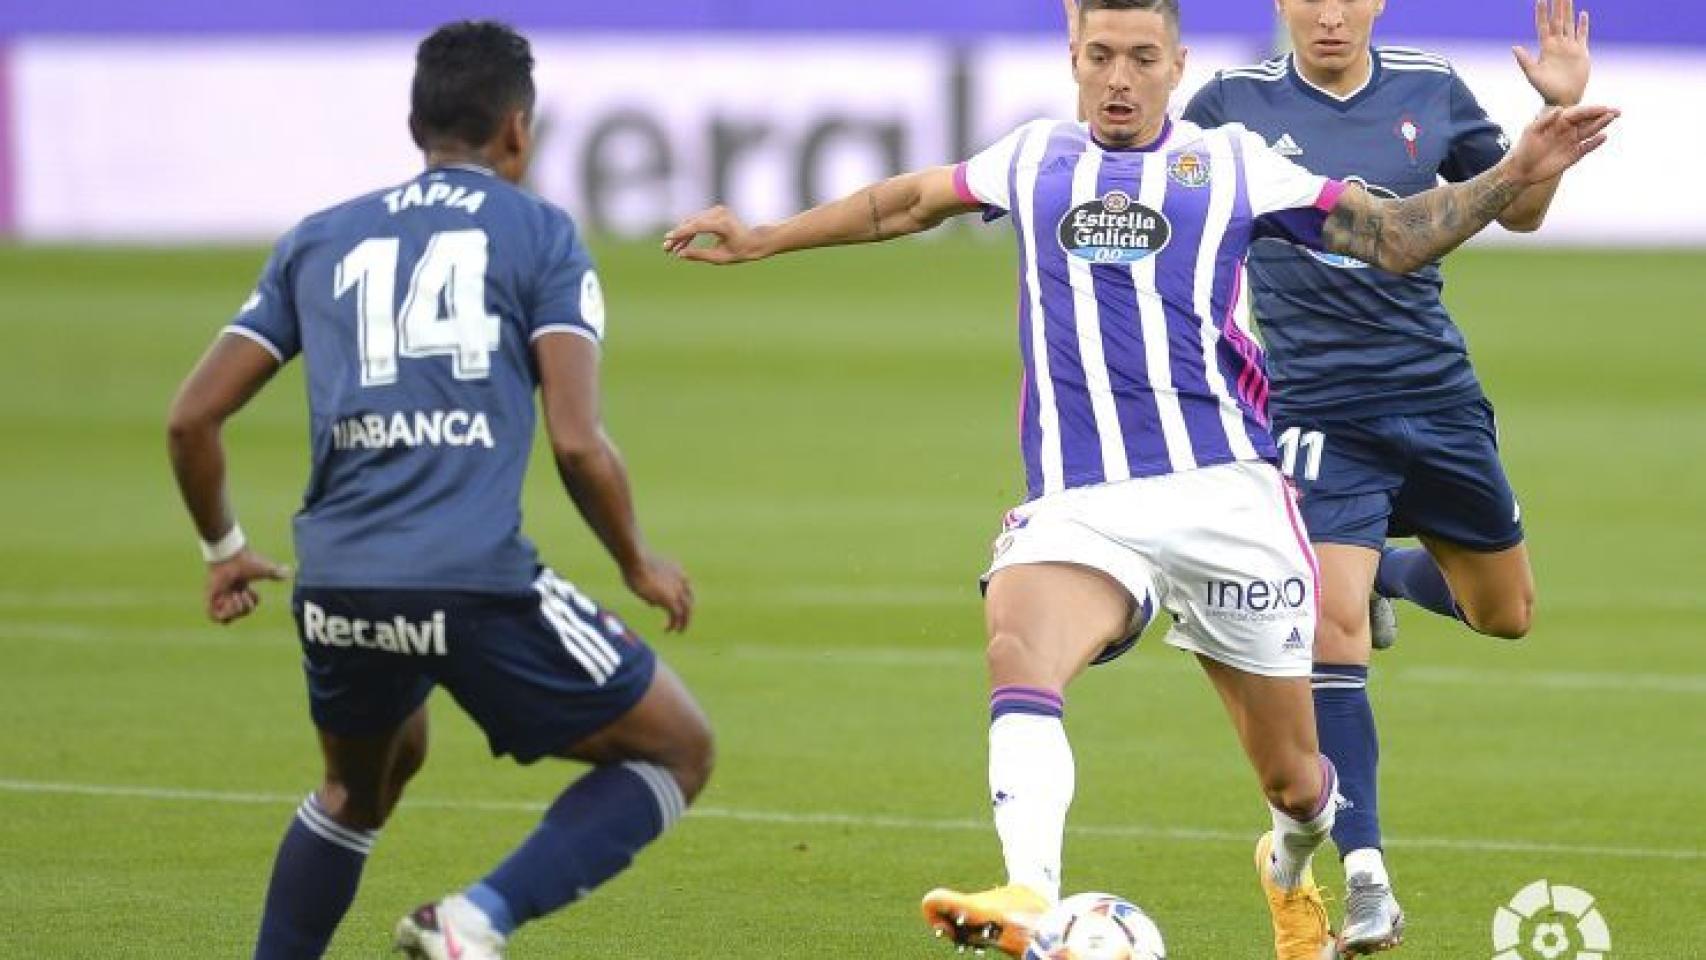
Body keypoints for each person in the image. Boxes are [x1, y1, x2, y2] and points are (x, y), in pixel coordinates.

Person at [664, 1, 1612, 957]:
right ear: (1073, 58)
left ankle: (1290, 858)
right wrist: (765, 237)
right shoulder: (1031, 159)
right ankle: (1031, 893)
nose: (1119, 77)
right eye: (1102, 55)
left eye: (1141, 58)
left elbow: (1396, 237)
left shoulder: (1234, 162)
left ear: (1176, 66)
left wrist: (1515, 173)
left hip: (1229, 500)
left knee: (1295, 780)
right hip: (1083, 505)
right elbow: (906, 202)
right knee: (1018, 644)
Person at [165, 21, 712, 960]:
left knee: (362, 786)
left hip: (334, 583)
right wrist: (637, 561)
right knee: (677, 749)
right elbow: (578, 443)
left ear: (415, 122)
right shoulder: (540, 233)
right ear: (518, 130)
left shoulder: (319, 239)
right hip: (473, 578)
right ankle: (472, 923)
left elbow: (190, 419)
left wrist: (224, 550)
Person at [1071, 0, 1590, 952]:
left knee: (1506, 612)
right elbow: (1148, 175)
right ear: (1282, 6)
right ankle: (1366, 876)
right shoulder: (1229, 102)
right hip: (1314, 407)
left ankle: (1391, 573)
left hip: (1436, 393)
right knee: (1328, 629)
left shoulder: (1429, 88)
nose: (1329, 13)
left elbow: (1520, 210)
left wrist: (1543, 128)